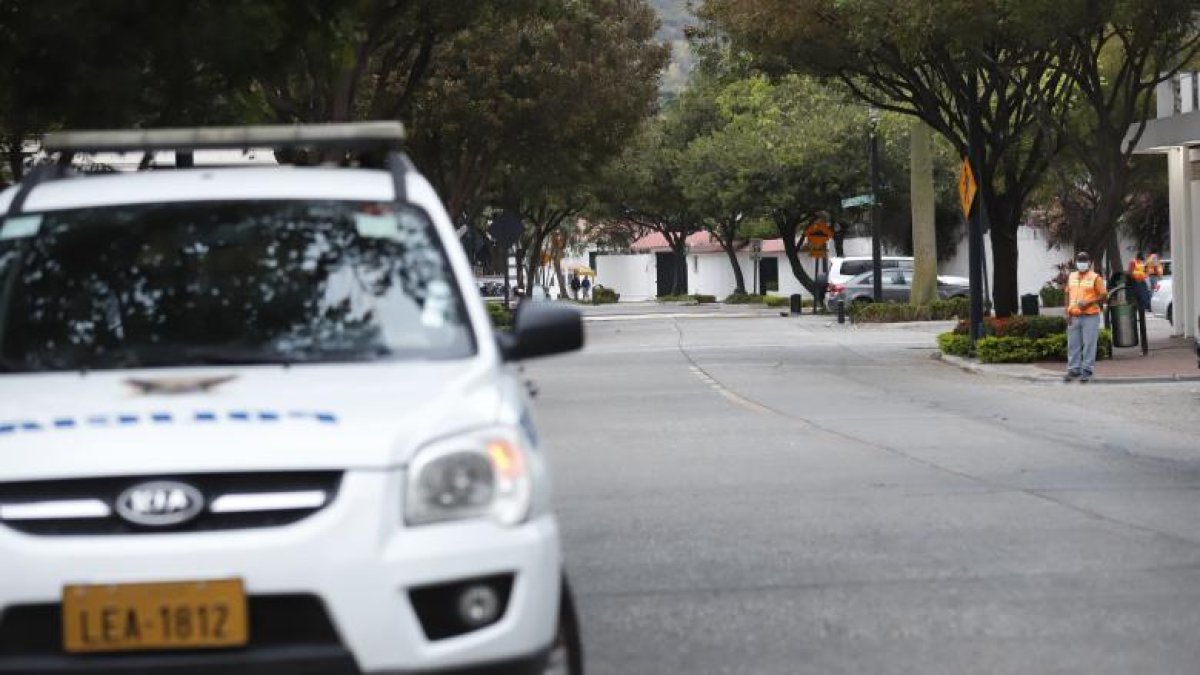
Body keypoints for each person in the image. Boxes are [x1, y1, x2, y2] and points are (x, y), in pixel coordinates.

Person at [1065, 251, 1107, 383]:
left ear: (1089, 262)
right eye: (1079, 260)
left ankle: (1087, 370)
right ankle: (1074, 369)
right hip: (1074, 315)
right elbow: (1067, 293)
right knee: (1073, 344)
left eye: (1084, 260)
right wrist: (1067, 312)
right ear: (1076, 262)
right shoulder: (1071, 276)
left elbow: (1104, 295)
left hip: (1090, 316)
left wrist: (1088, 302)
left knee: (1089, 344)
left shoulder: (1095, 277)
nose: (1081, 263)